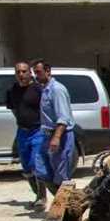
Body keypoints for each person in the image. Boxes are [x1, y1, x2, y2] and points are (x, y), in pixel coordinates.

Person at [6, 61, 46, 208]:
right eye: (18, 72)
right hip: (22, 131)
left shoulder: (38, 89)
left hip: (38, 131)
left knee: (36, 164)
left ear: (30, 73)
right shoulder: (12, 90)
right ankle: (37, 195)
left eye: (24, 71)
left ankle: (43, 197)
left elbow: (45, 110)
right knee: (27, 167)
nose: (21, 75)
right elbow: (13, 109)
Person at [33, 61, 75, 195]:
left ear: (48, 71)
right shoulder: (45, 89)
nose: (36, 76)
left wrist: (56, 138)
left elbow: (63, 117)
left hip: (61, 136)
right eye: (35, 73)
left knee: (61, 176)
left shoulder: (57, 90)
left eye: (38, 72)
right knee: (41, 170)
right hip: (46, 135)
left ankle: (67, 208)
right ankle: (61, 201)